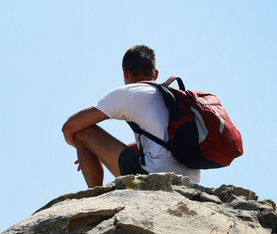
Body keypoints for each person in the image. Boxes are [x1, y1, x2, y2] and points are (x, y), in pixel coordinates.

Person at [61, 45, 200, 188]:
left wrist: (89, 149)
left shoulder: (130, 93)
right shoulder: (172, 97)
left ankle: (95, 194)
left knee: (82, 133)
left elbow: (69, 127)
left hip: (153, 179)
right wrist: (100, 153)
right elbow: (162, 144)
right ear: (156, 74)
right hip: (190, 182)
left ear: (125, 72)